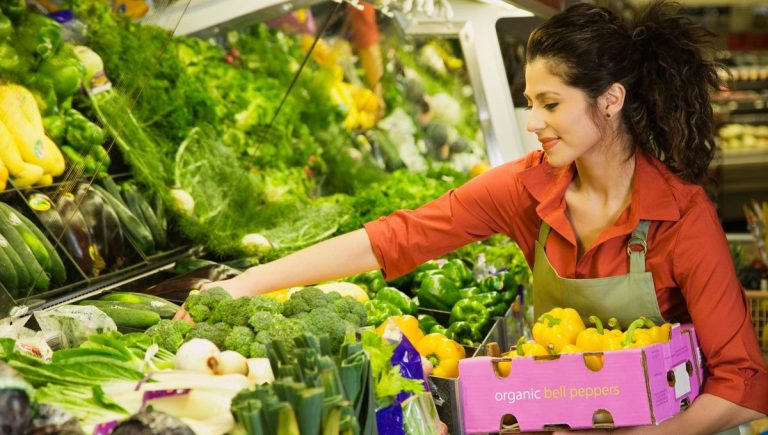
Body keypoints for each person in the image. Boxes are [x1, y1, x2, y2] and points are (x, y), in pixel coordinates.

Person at [176, 2, 768, 432]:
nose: (533, 122)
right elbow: (398, 237)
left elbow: (743, 387)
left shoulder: (680, 217)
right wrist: (248, 283)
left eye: (551, 103)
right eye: (530, 102)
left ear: (610, 100)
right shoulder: (528, 188)